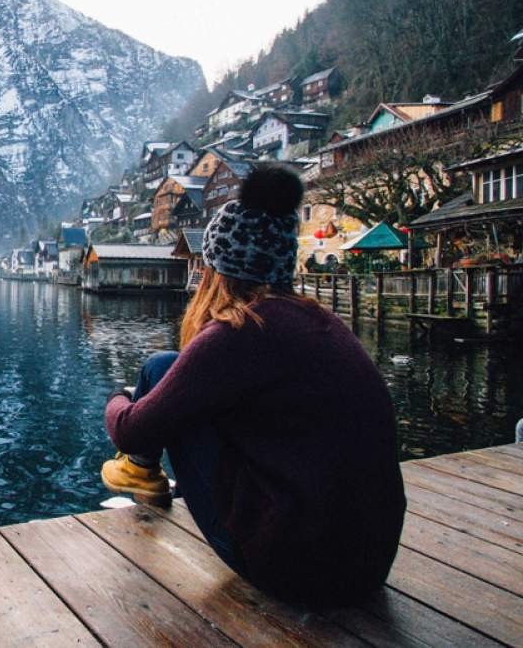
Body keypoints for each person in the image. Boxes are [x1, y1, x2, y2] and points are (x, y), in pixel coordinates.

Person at [101, 163, 406, 606]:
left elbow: (129, 428)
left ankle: (140, 470)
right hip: (370, 561)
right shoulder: (321, 322)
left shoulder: (238, 332)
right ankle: (141, 469)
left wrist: (119, 398)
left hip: (297, 570)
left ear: (217, 269)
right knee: (168, 367)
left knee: (163, 385)